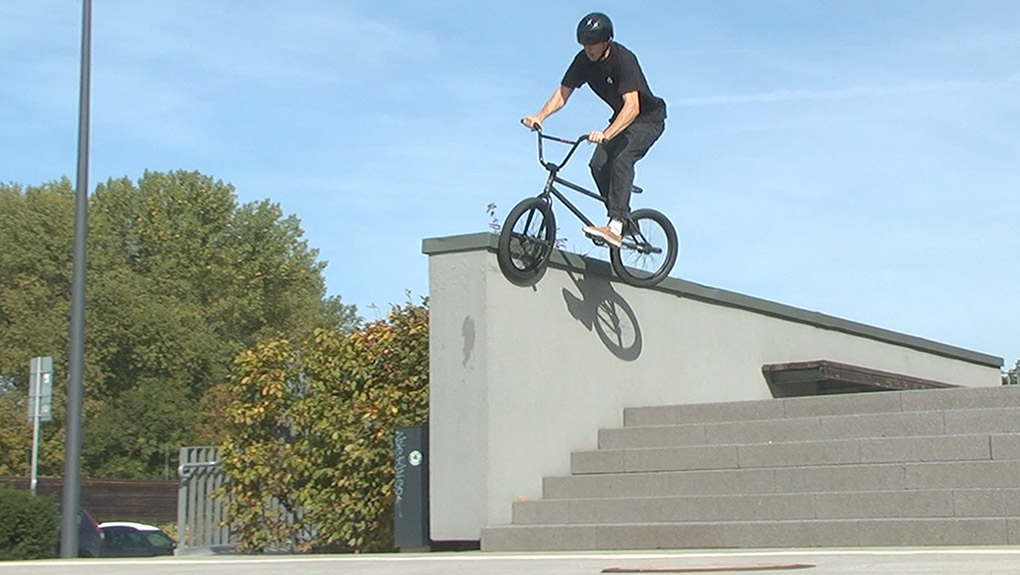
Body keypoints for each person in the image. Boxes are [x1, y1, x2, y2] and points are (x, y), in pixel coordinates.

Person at [522, 12, 666, 248]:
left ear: (607, 41)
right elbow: (562, 93)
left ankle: (615, 226)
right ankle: (624, 220)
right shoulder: (583, 61)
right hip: (622, 119)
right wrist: (540, 116)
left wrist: (606, 134)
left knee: (622, 159)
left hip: (648, 119)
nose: (588, 49)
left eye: (593, 43)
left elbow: (633, 106)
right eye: (584, 43)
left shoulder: (623, 59)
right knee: (598, 164)